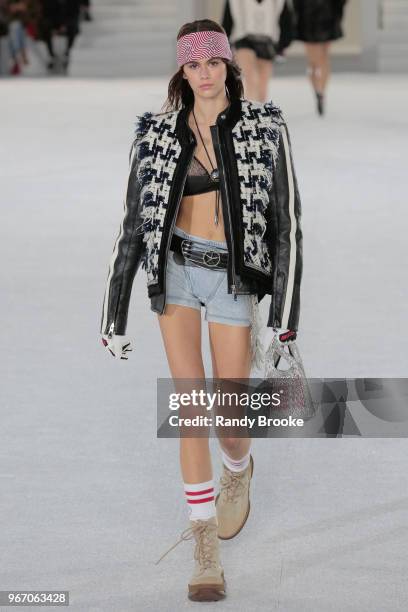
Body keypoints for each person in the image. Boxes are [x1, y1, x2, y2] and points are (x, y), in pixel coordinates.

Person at [99, 19, 303, 602]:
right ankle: (203, 545)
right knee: (192, 407)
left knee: (230, 415)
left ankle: (238, 469)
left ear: (228, 65)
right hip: (177, 279)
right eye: (193, 65)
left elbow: (286, 226)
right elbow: (132, 227)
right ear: (182, 71)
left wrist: (285, 316)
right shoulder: (158, 135)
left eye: (213, 62)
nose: (204, 73)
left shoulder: (265, 128)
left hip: (234, 280)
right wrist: (113, 314)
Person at [222, 0, 290, 102]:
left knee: (262, 85)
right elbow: (227, 19)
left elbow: (286, 20)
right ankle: (252, 114)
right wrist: (224, 44)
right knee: (251, 78)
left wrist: (282, 45)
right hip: (243, 39)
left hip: (267, 41)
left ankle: (259, 112)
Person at [293, 0, 348, 115]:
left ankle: (318, 92)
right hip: (325, 17)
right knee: (323, 60)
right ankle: (321, 92)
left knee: (314, 62)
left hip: (310, 19)